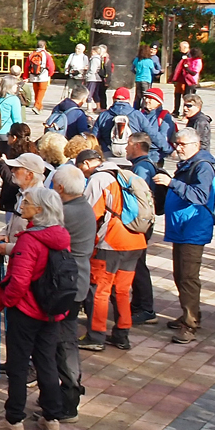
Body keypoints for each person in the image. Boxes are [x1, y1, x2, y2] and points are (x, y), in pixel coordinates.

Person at [0, 187, 71, 430]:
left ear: (39, 210)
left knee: (18, 365)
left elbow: (19, 281)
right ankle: (52, 417)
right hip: (51, 310)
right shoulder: (60, 236)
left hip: (26, 310)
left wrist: (4, 301)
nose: (22, 206)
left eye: (26, 202)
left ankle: (14, 419)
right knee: (47, 361)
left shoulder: (30, 240)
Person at [75, 147, 147, 351]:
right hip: (136, 240)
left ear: (87, 164)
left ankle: (96, 336)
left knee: (100, 290)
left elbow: (90, 214)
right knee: (122, 291)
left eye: (81, 169)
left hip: (111, 242)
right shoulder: (125, 174)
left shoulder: (99, 179)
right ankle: (122, 334)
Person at [158, 129, 215, 344]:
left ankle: (190, 323)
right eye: (177, 144)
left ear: (196, 145)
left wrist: (171, 183)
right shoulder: (189, 164)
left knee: (188, 278)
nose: (178, 148)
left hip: (193, 229)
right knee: (181, 275)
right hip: (183, 229)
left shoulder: (202, 166)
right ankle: (189, 314)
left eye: (182, 144)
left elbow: (200, 196)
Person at [51, 164, 94, 420]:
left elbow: (46, 238)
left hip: (67, 285)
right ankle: (65, 393)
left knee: (64, 343)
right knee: (63, 341)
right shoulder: (83, 206)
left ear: (60, 187)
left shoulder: (68, 212)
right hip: (76, 281)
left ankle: (69, 398)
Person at [0, 75, 23, 160]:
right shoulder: (14, 99)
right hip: (7, 132)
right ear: (9, 86)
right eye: (15, 85)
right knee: (9, 157)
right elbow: (17, 119)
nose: (17, 87)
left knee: (2, 154)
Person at [170, 42, 202, 115]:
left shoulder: (191, 56)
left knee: (187, 96)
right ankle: (176, 111)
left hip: (187, 79)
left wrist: (186, 68)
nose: (179, 49)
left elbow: (193, 70)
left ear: (185, 48)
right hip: (180, 79)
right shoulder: (179, 55)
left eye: (180, 47)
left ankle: (186, 112)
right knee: (177, 95)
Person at [23, 42, 55, 113]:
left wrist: (25, 76)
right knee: (41, 91)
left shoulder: (31, 54)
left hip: (33, 76)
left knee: (37, 92)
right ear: (44, 46)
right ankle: (36, 106)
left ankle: (39, 107)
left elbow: (27, 66)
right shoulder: (46, 54)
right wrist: (50, 74)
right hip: (43, 76)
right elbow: (51, 65)